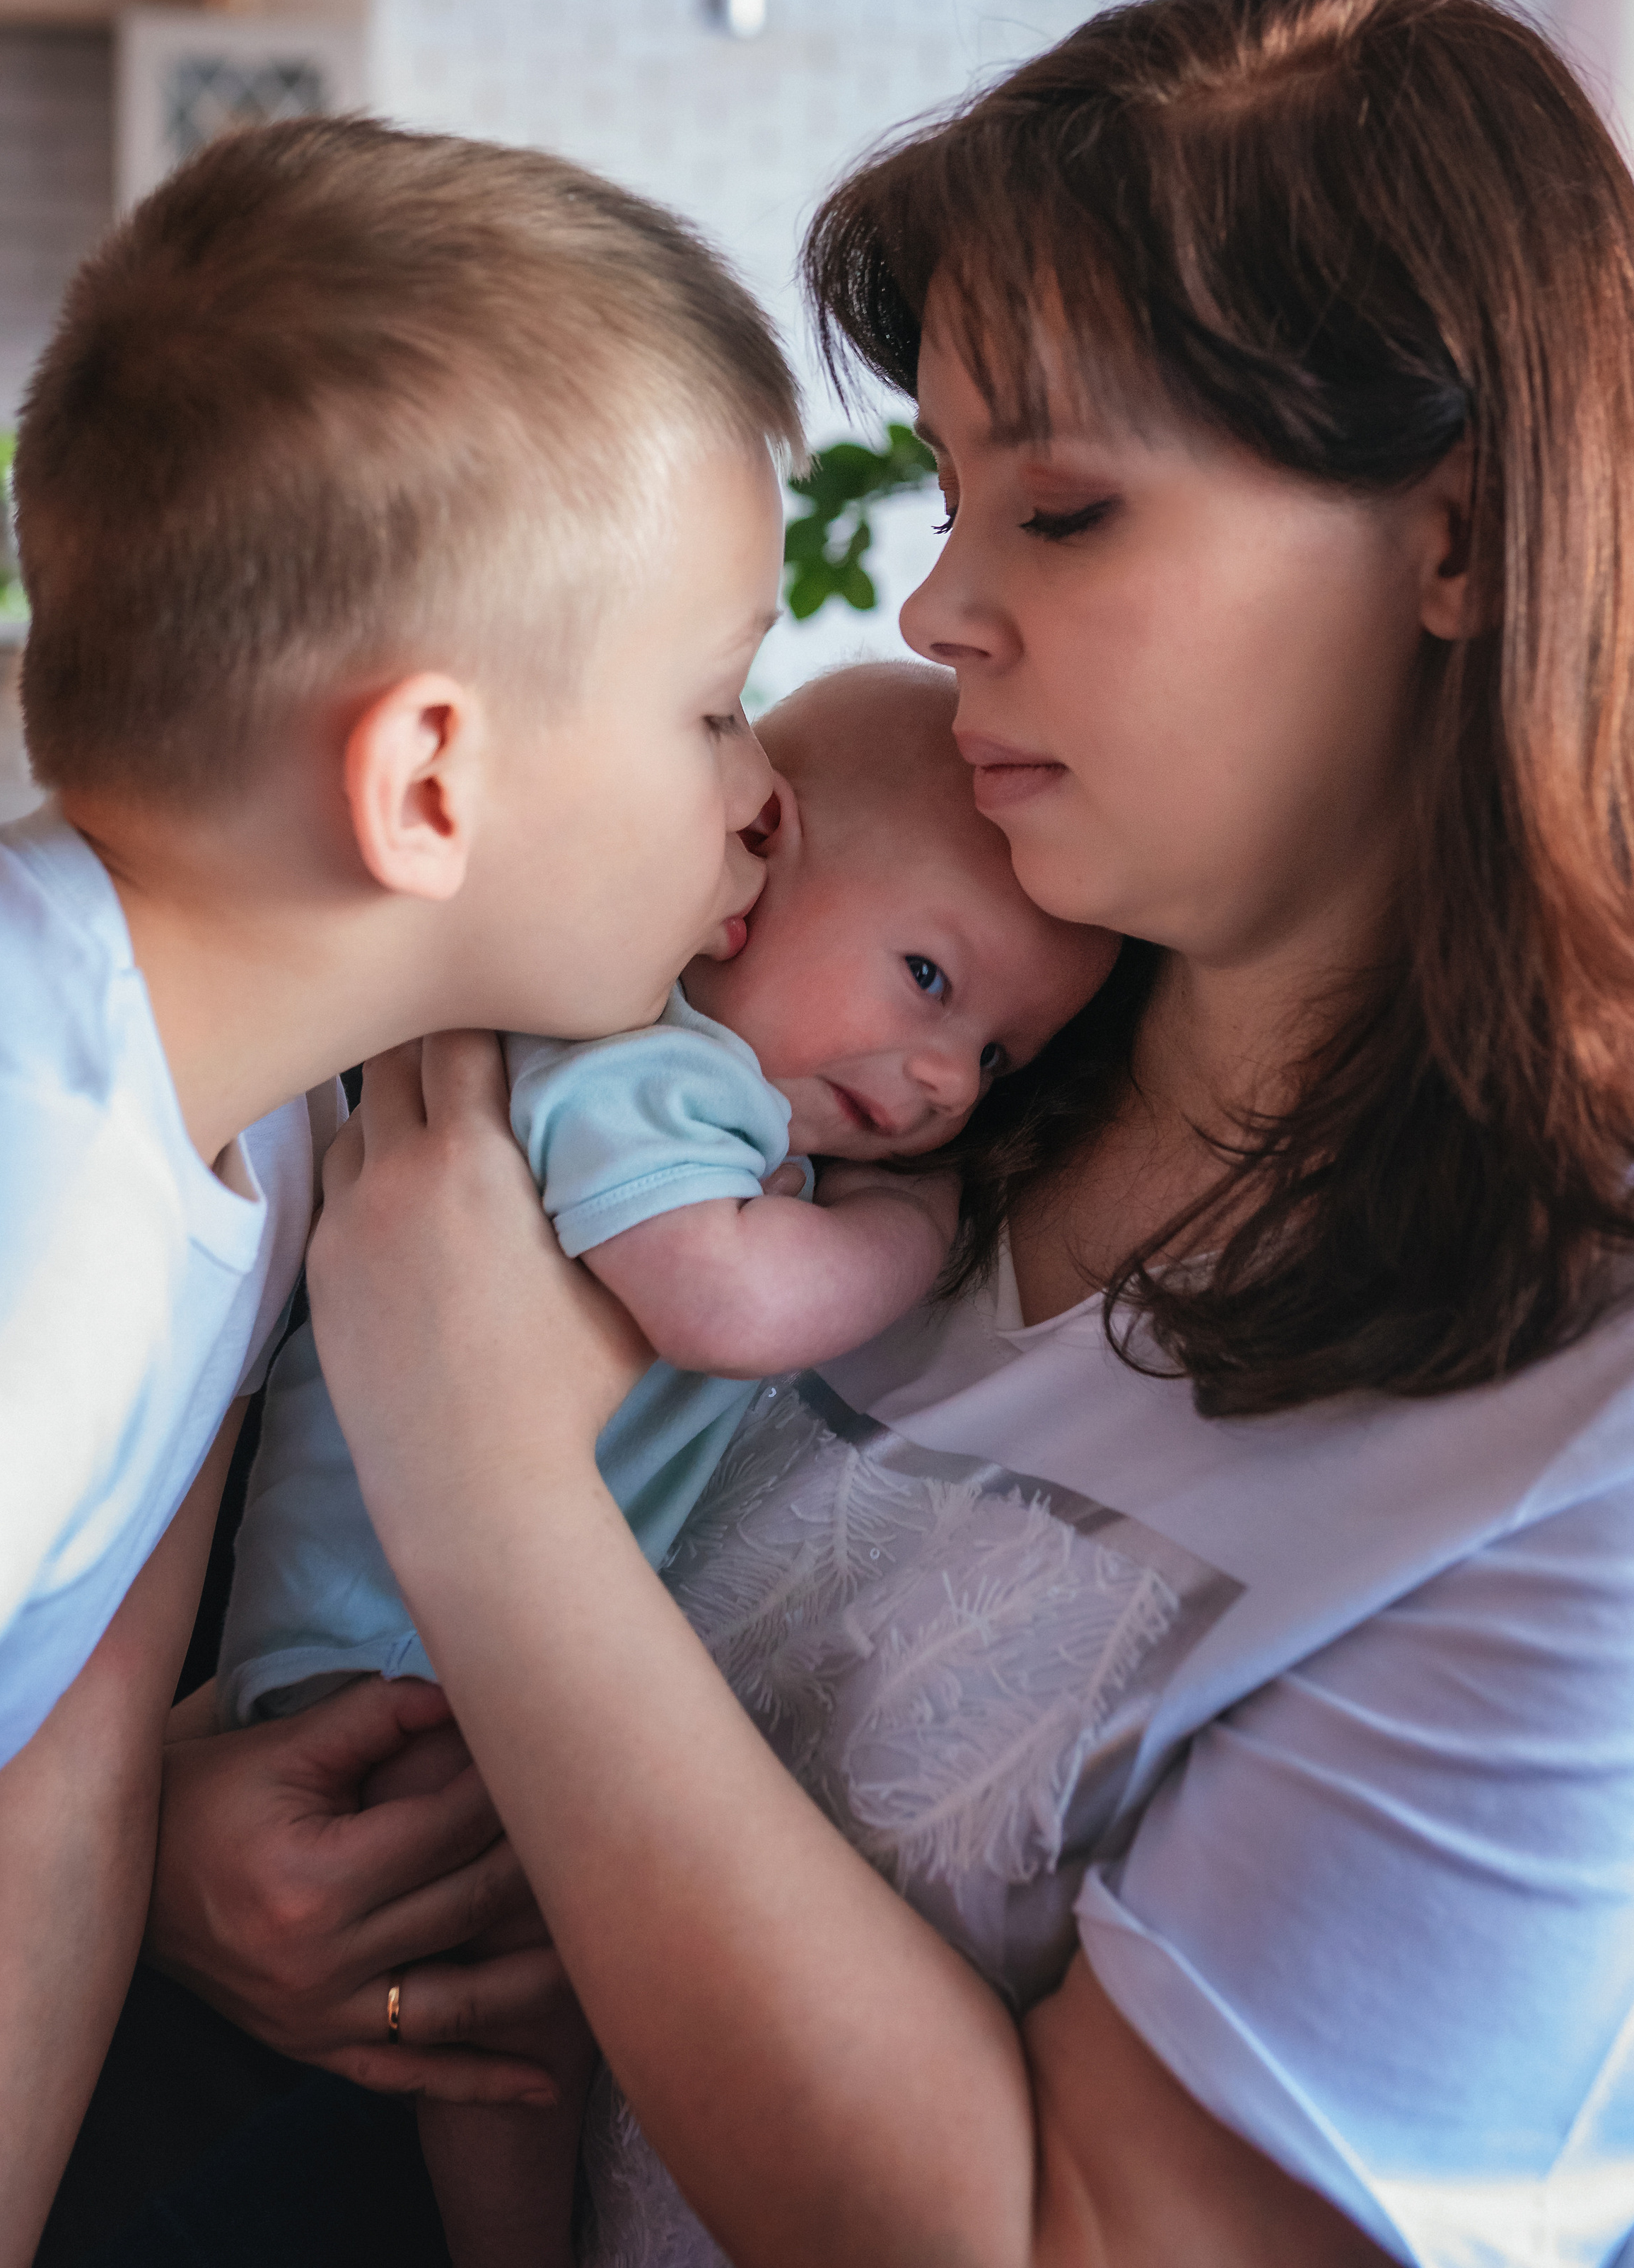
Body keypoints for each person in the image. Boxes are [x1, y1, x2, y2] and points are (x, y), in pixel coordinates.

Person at [135, 0, 1634, 2268]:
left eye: (1061, 515)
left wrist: (481, 1491)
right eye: (953, 499)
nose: (942, 601)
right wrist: (220, 1851)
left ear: (1456, 541)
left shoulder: (1619, 1379)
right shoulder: (894, 1045)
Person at [0, 112, 800, 2266]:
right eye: (716, 705)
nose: (766, 797)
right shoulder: (6, 1158)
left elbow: (60, 1808)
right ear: (429, 782)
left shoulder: (250, 1117)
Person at [217, 657, 1116, 2265]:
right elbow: (721, 1296)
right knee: (517, 2023)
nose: (939, 1086)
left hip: (413, 1632)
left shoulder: (731, 1098)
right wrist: (911, 1229)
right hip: (390, 1649)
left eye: (994, 1060)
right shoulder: (644, 1053)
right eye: (924, 976)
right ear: (745, 874)